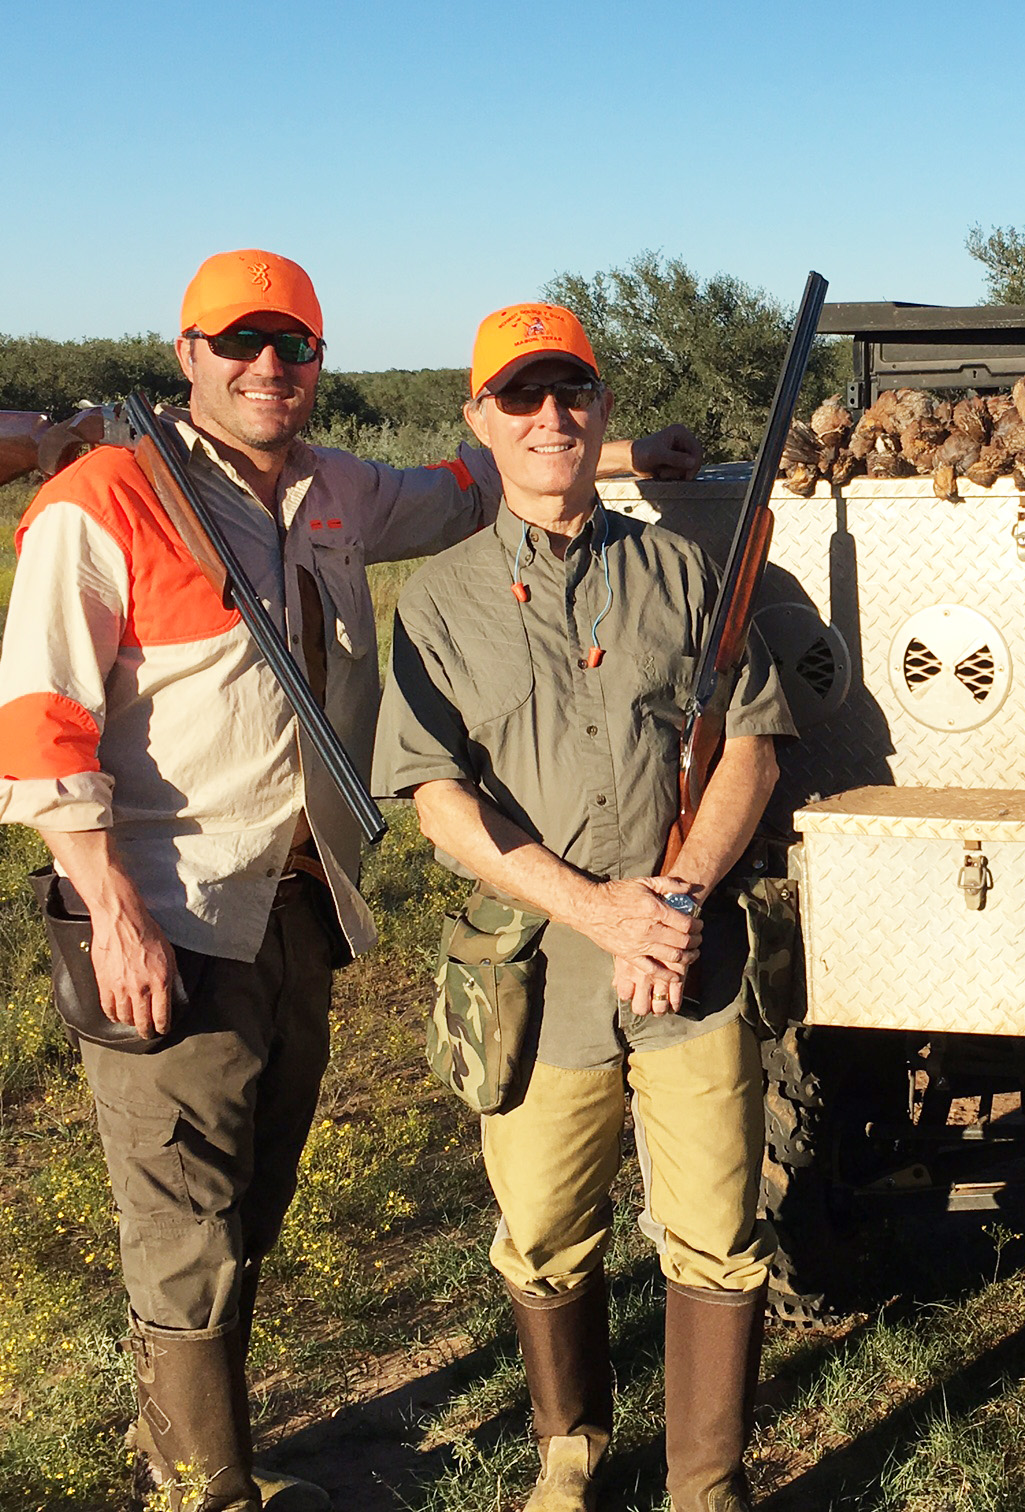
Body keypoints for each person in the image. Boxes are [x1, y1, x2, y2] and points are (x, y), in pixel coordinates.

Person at [0, 250, 700, 1512]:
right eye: (240, 344)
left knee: (253, 1196)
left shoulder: (334, 490)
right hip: (166, 907)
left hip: (299, 903)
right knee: (183, 1220)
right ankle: (199, 1491)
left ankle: (214, 1457)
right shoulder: (104, 500)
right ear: (189, 356)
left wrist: (626, 455)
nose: (269, 368)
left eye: (294, 347)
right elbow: (39, 720)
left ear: (317, 364)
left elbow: (475, 483)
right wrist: (109, 908)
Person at [373, 301, 795, 1512]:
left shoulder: (684, 571)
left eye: (573, 395)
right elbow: (440, 803)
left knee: (715, 1227)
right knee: (547, 1229)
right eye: (522, 398)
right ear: (481, 423)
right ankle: (573, 1449)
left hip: (690, 962)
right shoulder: (441, 600)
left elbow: (751, 745)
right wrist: (598, 912)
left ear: (601, 411)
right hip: (539, 975)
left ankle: (705, 1482)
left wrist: (673, 901)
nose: (551, 418)